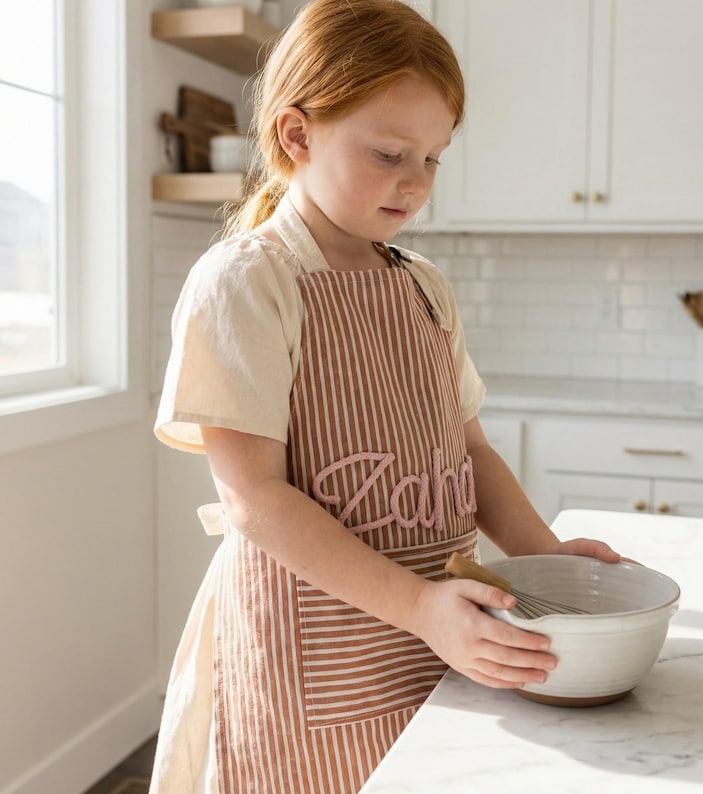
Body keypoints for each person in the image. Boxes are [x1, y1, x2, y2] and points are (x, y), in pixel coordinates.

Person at [150, 1, 621, 792]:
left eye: (434, 157)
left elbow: (470, 452)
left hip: (431, 646)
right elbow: (253, 499)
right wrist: (422, 608)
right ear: (296, 135)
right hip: (310, 665)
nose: (416, 182)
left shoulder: (423, 287)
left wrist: (542, 556)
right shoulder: (247, 283)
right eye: (390, 154)